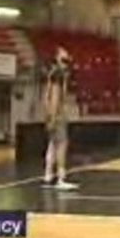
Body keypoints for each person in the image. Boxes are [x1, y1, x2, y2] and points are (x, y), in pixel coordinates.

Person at [43, 47, 79, 190]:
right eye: (64, 59)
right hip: (56, 114)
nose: (66, 62)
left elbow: (46, 97)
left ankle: (48, 175)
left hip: (51, 113)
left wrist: (48, 115)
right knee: (62, 144)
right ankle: (61, 178)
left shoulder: (52, 73)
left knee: (52, 144)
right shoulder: (58, 74)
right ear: (57, 58)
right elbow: (55, 98)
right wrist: (53, 116)